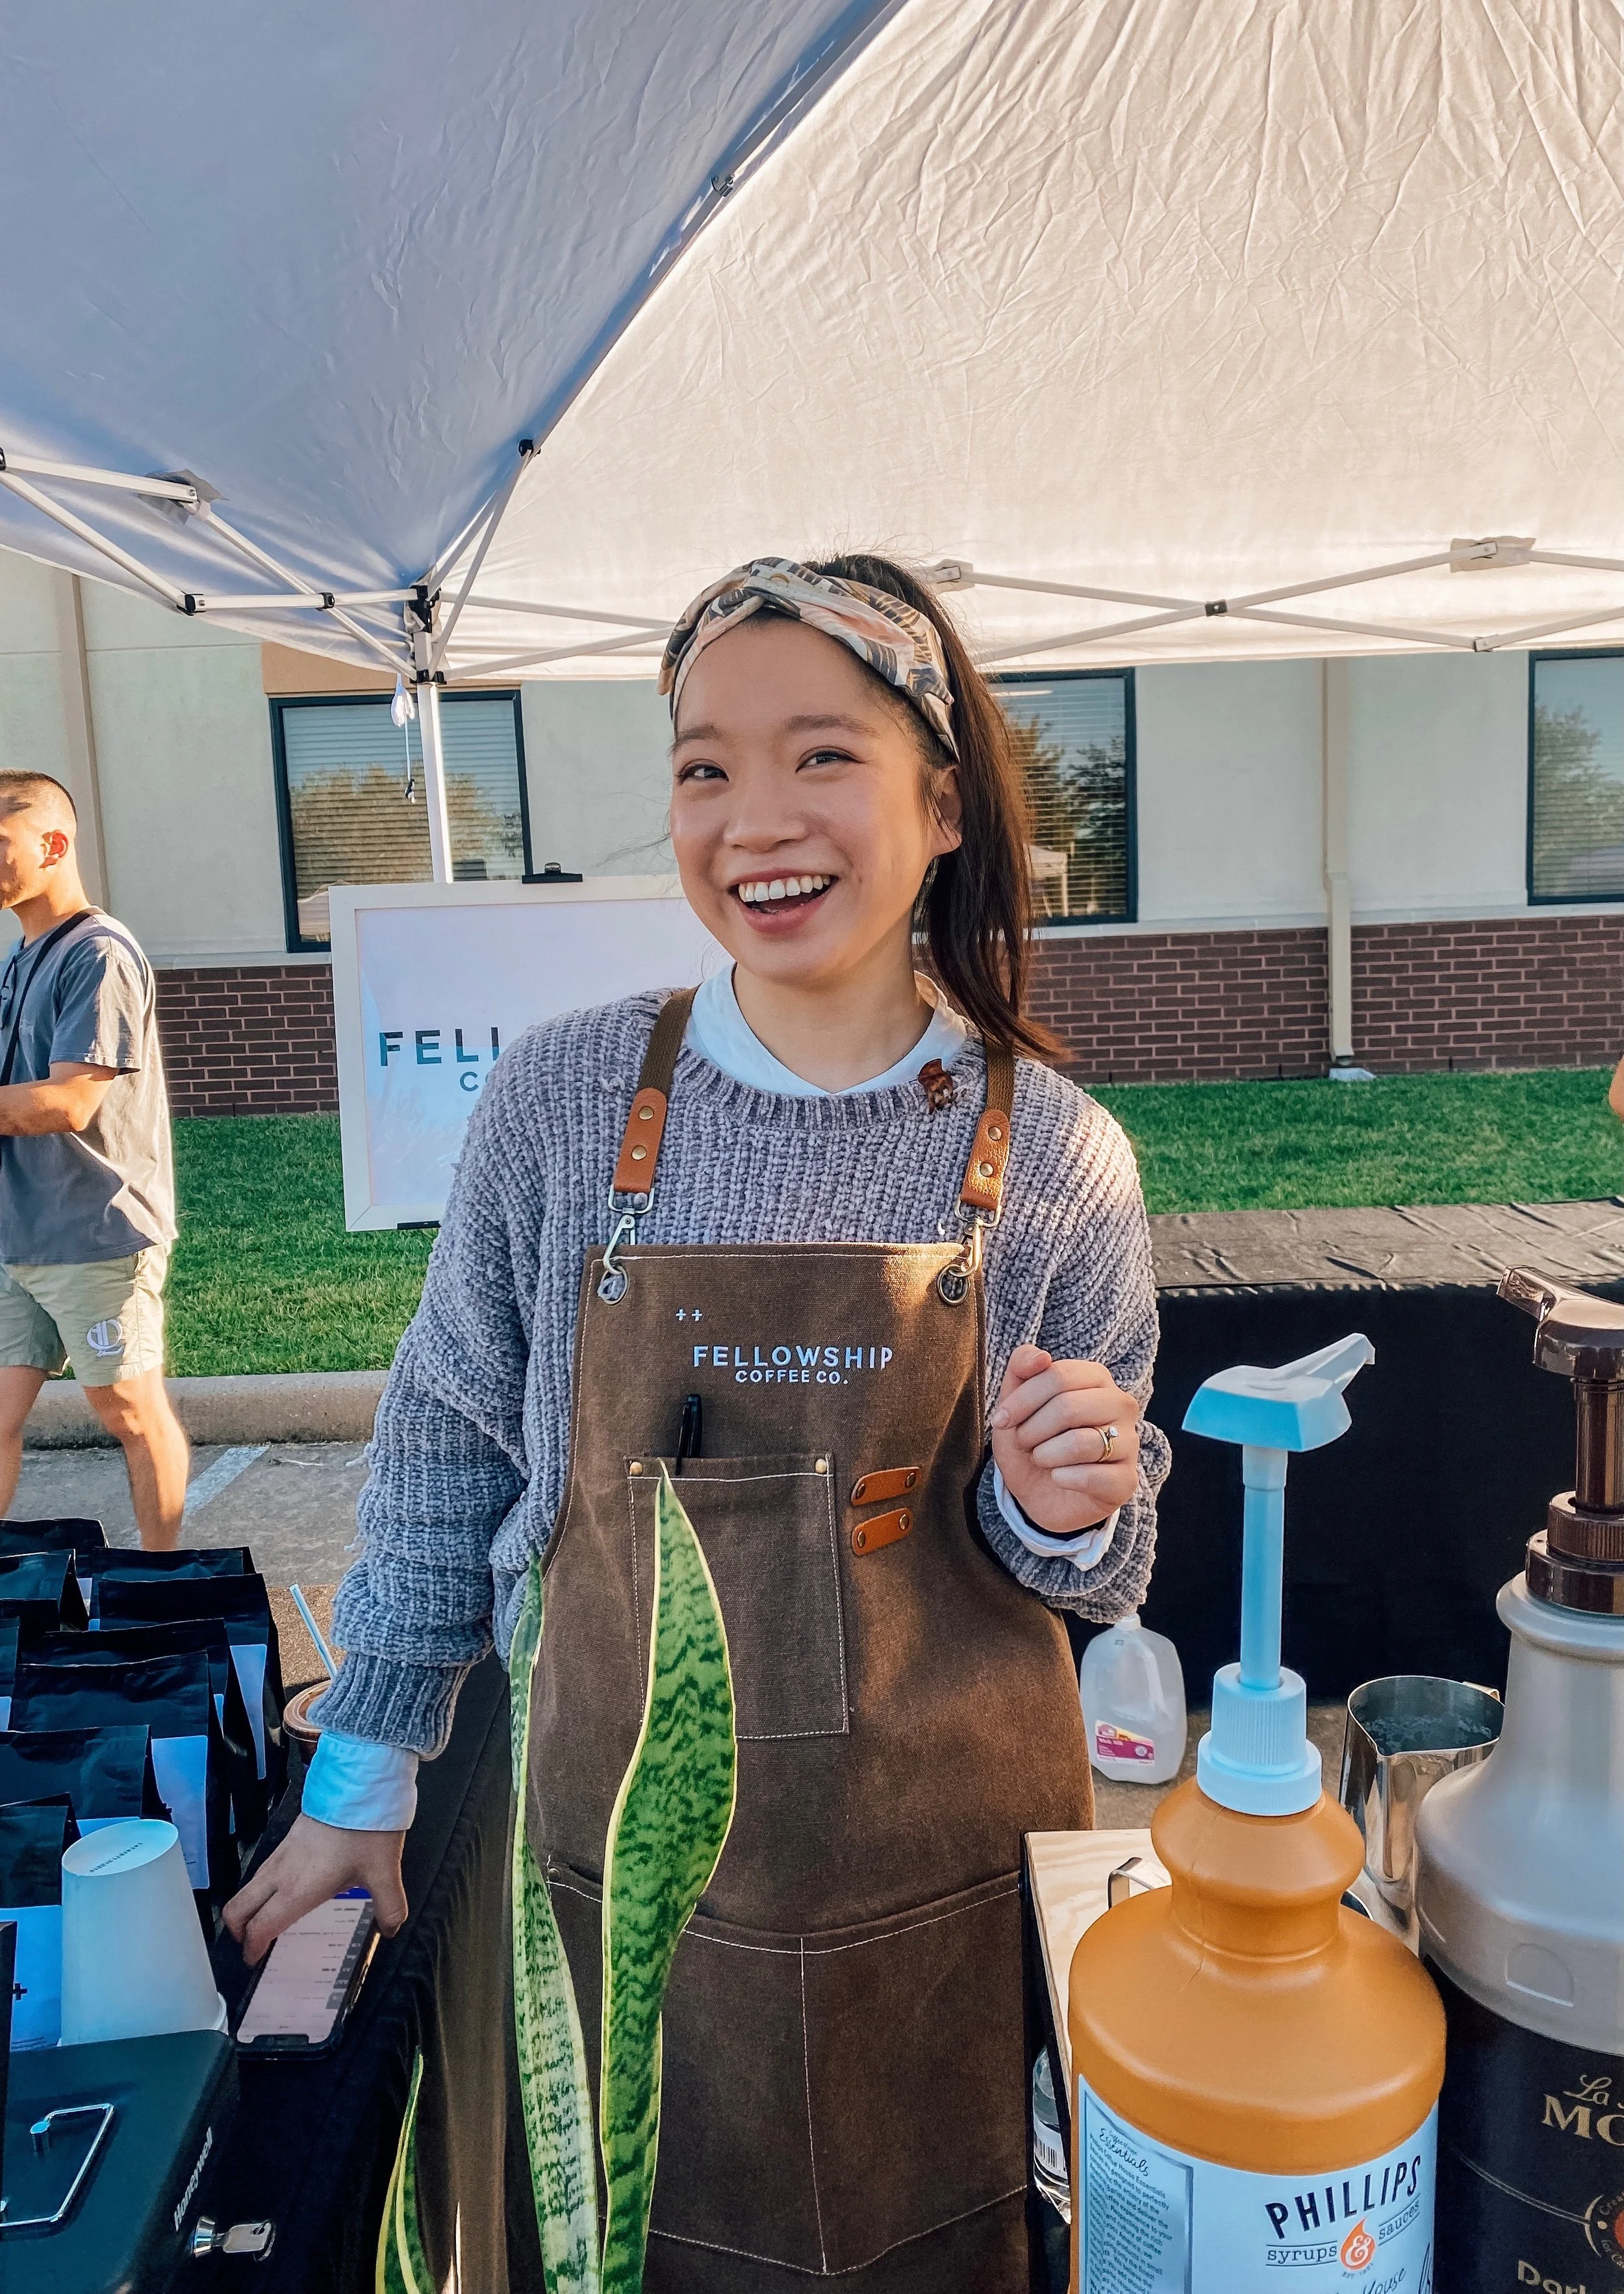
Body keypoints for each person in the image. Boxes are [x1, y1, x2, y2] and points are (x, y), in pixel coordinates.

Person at [228, 555, 1171, 2289]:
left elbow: (1085, 1573)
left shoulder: (1057, 1152)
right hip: (597, 1878)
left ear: (941, 801)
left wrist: (1067, 1493)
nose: (755, 818)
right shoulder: (566, 1097)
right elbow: (447, 1450)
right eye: (702, 765)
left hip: (932, 1901)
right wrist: (358, 1781)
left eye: (821, 755)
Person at [0, 772, 187, 1546]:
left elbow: (68, 1103)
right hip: (22, 1237)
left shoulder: (100, 954)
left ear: (53, 843)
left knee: (131, 1414)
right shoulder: (21, 957)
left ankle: (162, 1583)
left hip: (97, 1234)